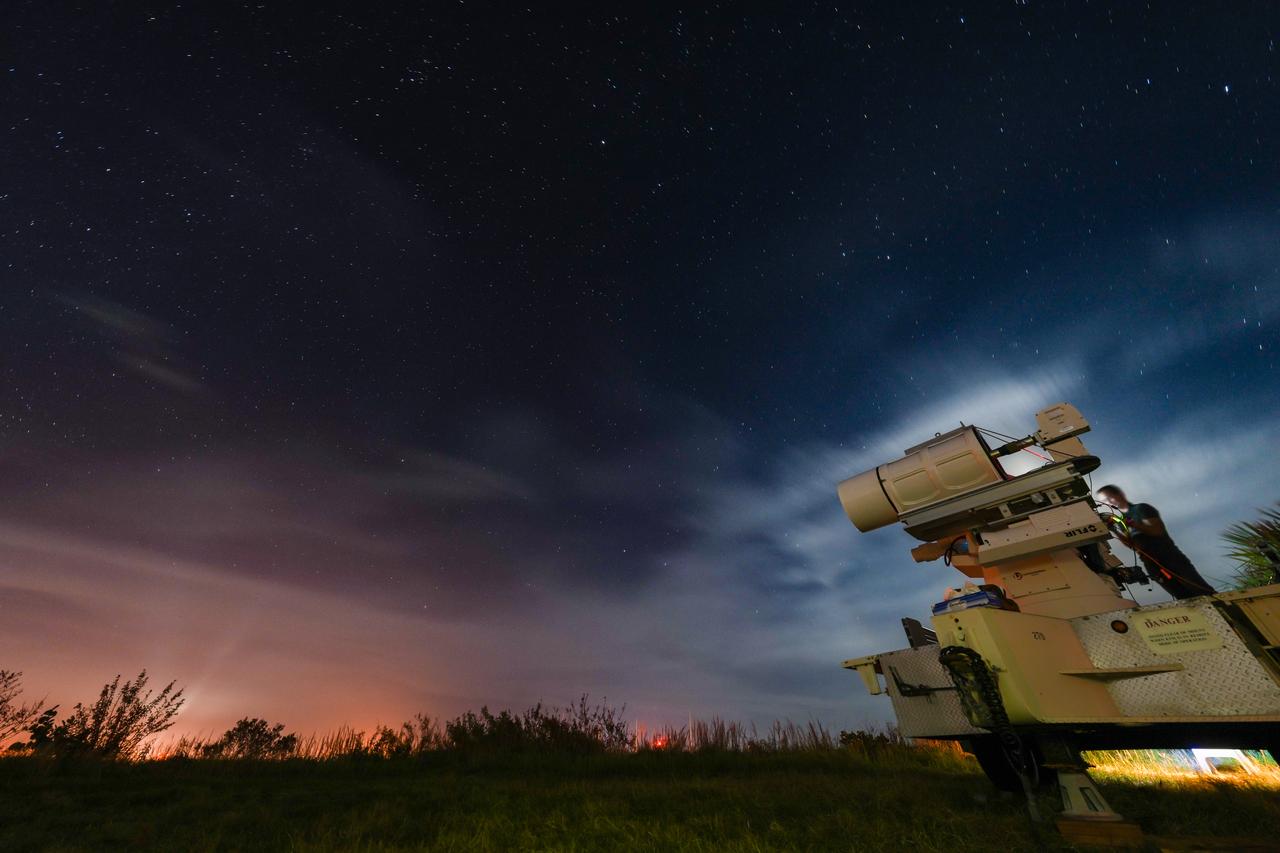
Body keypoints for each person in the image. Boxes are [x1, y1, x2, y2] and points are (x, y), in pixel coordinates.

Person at [1096, 485, 1215, 599]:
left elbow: (1157, 531)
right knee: (1180, 594)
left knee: (1198, 588)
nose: (1108, 502)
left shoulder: (1141, 508)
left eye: (1109, 497)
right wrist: (1114, 530)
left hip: (1168, 555)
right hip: (1149, 562)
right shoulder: (1121, 520)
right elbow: (1132, 546)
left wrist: (1133, 524)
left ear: (1120, 494)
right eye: (1104, 501)